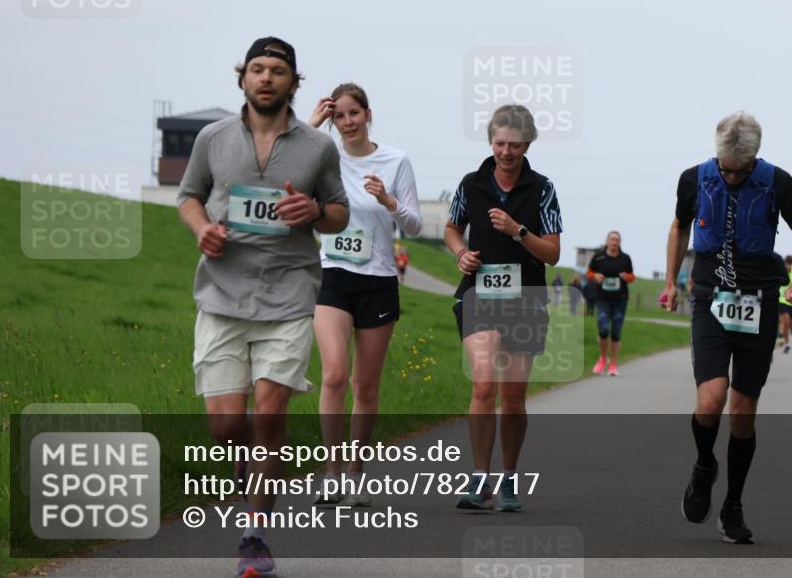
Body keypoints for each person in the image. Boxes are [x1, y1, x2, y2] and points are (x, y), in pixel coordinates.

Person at [176, 37, 350, 577]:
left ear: (294, 82)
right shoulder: (212, 138)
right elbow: (188, 195)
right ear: (243, 79)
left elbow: (339, 214)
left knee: (270, 411)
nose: (267, 77)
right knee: (227, 428)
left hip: (289, 291)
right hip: (223, 294)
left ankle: (255, 535)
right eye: (258, 69)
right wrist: (203, 229)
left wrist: (315, 209)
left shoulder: (317, 148)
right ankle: (254, 480)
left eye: (278, 70)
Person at [661, 111, 792, 544]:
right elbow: (680, 226)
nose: (730, 177)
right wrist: (672, 281)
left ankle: (733, 505)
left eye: (739, 171)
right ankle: (703, 465)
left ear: (754, 160)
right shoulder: (693, 179)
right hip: (710, 297)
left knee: (743, 413)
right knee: (710, 400)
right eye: (725, 169)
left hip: (760, 301)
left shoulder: (778, 182)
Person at [306, 83, 422, 506]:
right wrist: (312, 125)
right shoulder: (324, 155)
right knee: (334, 374)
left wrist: (389, 200)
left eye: (354, 113)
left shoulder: (395, 160)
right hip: (332, 276)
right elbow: (284, 165)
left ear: (368, 114)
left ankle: (355, 473)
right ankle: (332, 472)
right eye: (340, 116)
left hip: (377, 280)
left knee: (365, 387)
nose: (348, 122)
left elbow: (413, 225)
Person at [444, 103, 562, 513]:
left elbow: (552, 254)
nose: (506, 152)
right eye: (499, 143)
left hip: (525, 299)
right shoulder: (471, 183)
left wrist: (518, 231)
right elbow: (451, 227)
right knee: (482, 385)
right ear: (490, 141)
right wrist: (460, 254)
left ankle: (509, 477)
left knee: (512, 398)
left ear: (527, 144)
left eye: (514, 145)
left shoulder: (542, 188)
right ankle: (481, 479)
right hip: (479, 295)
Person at [587, 231, 635, 376]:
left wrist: (626, 277)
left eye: (617, 240)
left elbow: (632, 276)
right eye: (612, 239)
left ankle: (613, 364)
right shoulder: (598, 257)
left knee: (615, 332)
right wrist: (595, 276)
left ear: (619, 242)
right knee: (603, 328)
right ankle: (602, 358)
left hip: (620, 299)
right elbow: (589, 273)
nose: (614, 242)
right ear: (607, 241)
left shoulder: (625, 258)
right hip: (602, 298)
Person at [778, 255, 792, 353]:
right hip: (782, 301)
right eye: (786, 264)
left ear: (791, 264)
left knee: (791, 323)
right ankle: (785, 342)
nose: (787, 267)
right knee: (784, 321)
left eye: (789, 265)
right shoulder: (780, 271)